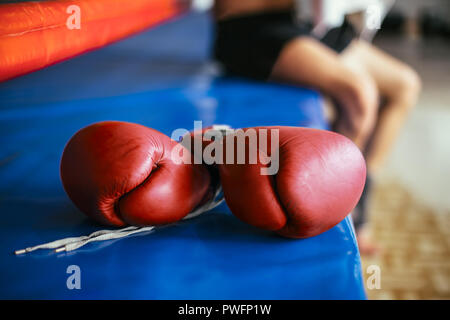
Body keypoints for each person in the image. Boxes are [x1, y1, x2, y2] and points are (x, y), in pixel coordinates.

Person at [212, 0, 421, 254]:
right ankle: (339, 206)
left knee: (405, 85)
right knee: (358, 95)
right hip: (252, 27)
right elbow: (228, 7)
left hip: (304, 24)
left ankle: (362, 189)